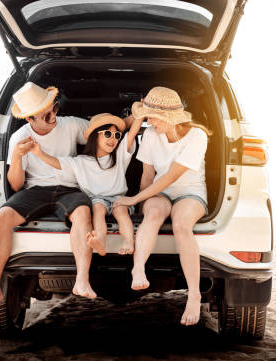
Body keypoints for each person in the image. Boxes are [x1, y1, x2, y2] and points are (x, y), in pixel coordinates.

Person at [0, 82, 95, 315]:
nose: (54, 116)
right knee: (3, 216)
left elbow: (100, 130)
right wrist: (17, 157)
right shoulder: (19, 137)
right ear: (30, 119)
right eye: (47, 114)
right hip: (35, 190)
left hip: (69, 188)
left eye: (55, 108)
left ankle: (81, 279)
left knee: (83, 212)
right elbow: (16, 184)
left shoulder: (70, 124)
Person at [113, 86, 211, 326]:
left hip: (190, 192)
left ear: (169, 117)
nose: (149, 122)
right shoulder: (150, 135)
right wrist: (142, 203)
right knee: (154, 213)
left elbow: (171, 176)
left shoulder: (197, 136)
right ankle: (138, 268)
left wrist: (134, 199)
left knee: (181, 225)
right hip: (160, 191)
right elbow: (148, 176)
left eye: (152, 117)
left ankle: (194, 295)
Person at [30, 113, 142, 256]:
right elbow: (58, 163)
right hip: (96, 199)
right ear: (95, 136)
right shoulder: (81, 161)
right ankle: (100, 241)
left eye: (117, 136)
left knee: (121, 211)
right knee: (97, 208)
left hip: (118, 198)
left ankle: (129, 242)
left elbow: (132, 133)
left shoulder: (120, 156)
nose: (113, 139)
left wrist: (141, 113)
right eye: (108, 134)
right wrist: (39, 153)